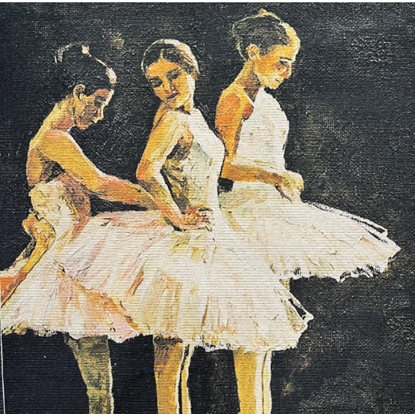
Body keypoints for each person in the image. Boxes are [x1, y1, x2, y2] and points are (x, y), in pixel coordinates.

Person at [59, 39, 313, 414]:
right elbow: (146, 171)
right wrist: (176, 216)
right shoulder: (172, 119)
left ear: (192, 70)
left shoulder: (194, 117)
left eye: (173, 76)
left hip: (214, 235)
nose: (167, 88)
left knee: (186, 351)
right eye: (157, 82)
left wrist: (269, 179)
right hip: (184, 240)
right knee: (171, 356)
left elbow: (209, 170)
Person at [0, 43, 157, 414]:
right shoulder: (53, 138)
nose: (100, 115)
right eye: (98, 103)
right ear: (78, 92)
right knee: (99, 386)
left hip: (76, 256)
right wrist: (159, 201)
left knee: (100, 385)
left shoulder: (56, 138)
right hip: (67, 263)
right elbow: (100, 184)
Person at [217, 10, 400, 284]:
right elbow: (223, 165)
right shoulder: (233, 98)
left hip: (278, 204)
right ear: (254, 52)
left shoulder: (266, 99)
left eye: (290, 64)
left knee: (283, 287)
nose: (287, 73)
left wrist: (282, 183)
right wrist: (277, 176)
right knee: (263, 290)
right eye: (282, 63)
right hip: (249, 209)